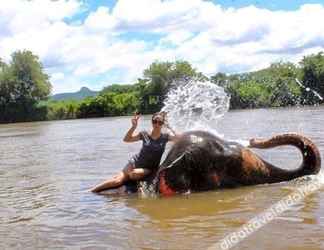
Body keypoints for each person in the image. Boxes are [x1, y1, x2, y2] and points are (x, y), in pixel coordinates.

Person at [91, 111, 179, 193]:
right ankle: (91, 191)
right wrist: (133, 127)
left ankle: (129, 180)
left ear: (163, 124)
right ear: (152, 122)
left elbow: (180, 139)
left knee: (133, 174)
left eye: (160, 122)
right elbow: (127, 140)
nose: (157, 124)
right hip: (134, 161)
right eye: (155, 121)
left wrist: (170, 127)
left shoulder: (165, 137)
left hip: (149, 168)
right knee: (117, 181)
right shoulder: (144, 134)